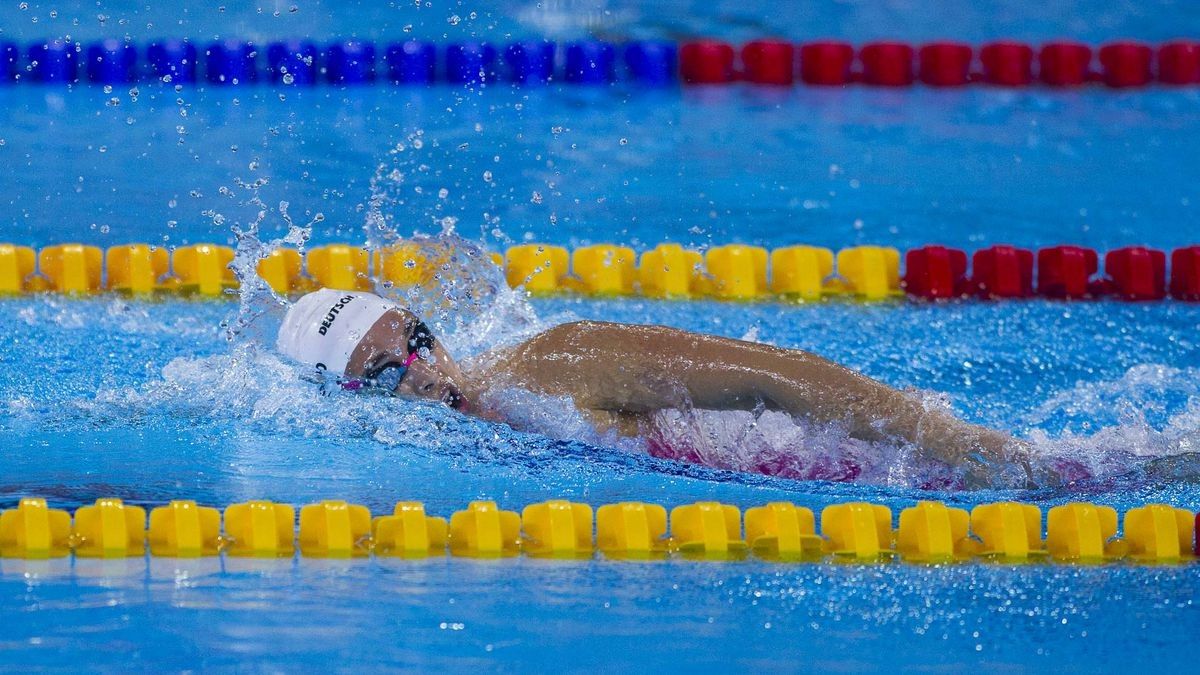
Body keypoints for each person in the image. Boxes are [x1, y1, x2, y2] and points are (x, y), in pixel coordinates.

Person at [277, 288, 1030, 483]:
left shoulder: (555, 364)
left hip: (913, 469)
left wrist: (960, 445)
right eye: (386, 372)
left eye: (415, 338)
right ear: (350, 400)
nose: (426, 367)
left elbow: (781, 377)